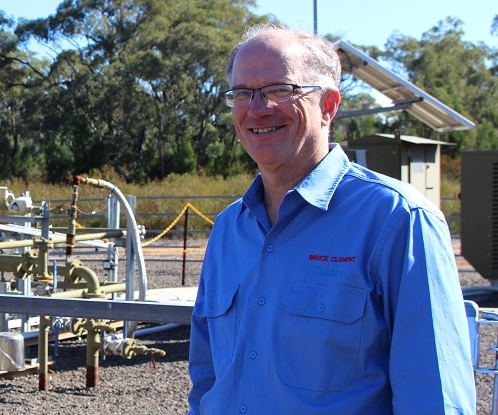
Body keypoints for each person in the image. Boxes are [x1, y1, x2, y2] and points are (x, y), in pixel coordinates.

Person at [187, 23, 476, 414]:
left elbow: (435, 399)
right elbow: (207, 380)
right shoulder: (228, 230)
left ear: (328, 106)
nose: (257, 109)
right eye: (242, 93)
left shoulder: (398, 221)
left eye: (280, 90)